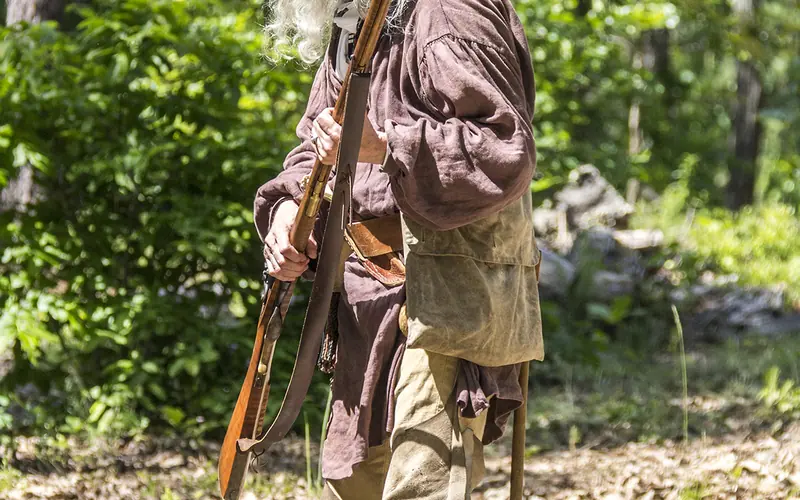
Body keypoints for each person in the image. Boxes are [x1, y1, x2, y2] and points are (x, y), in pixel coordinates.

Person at [253, 0, 543, 497]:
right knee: (356, 485)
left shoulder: (447, 10)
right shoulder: (356, 18)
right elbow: (316, 146)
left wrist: (386, 146)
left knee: (421, 486)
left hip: (449, 293)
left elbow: (504, 150)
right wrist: (289, 211)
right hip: (367, 296)